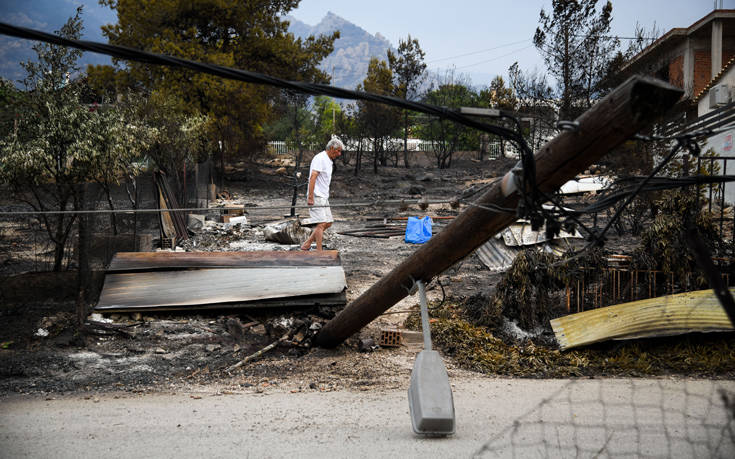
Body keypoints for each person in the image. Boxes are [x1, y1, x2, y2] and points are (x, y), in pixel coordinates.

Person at [300, 136, 343, 251]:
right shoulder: (320, 158)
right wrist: (310, 197)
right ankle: (319, 252)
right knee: (321, 224)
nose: (339, 154)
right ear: (331, 148)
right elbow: (313, 177)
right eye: (338, 151)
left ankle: (307, 243)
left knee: (328, 222)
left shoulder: (329, 161)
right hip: (316, 195)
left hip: (324, 196)